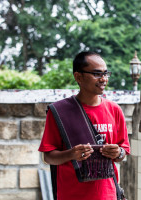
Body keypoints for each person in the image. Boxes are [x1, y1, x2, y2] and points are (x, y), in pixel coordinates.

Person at [39, 51, 130, 200]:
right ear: (78, 77)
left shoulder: (114, 110)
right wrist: (71, 154)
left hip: (107, 194)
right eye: (97, 74)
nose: (103, 79)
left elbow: (123, 152)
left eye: (106, 74)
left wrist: (118, 153)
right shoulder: (60, 111)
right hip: (71, 194)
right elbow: (48, 156)